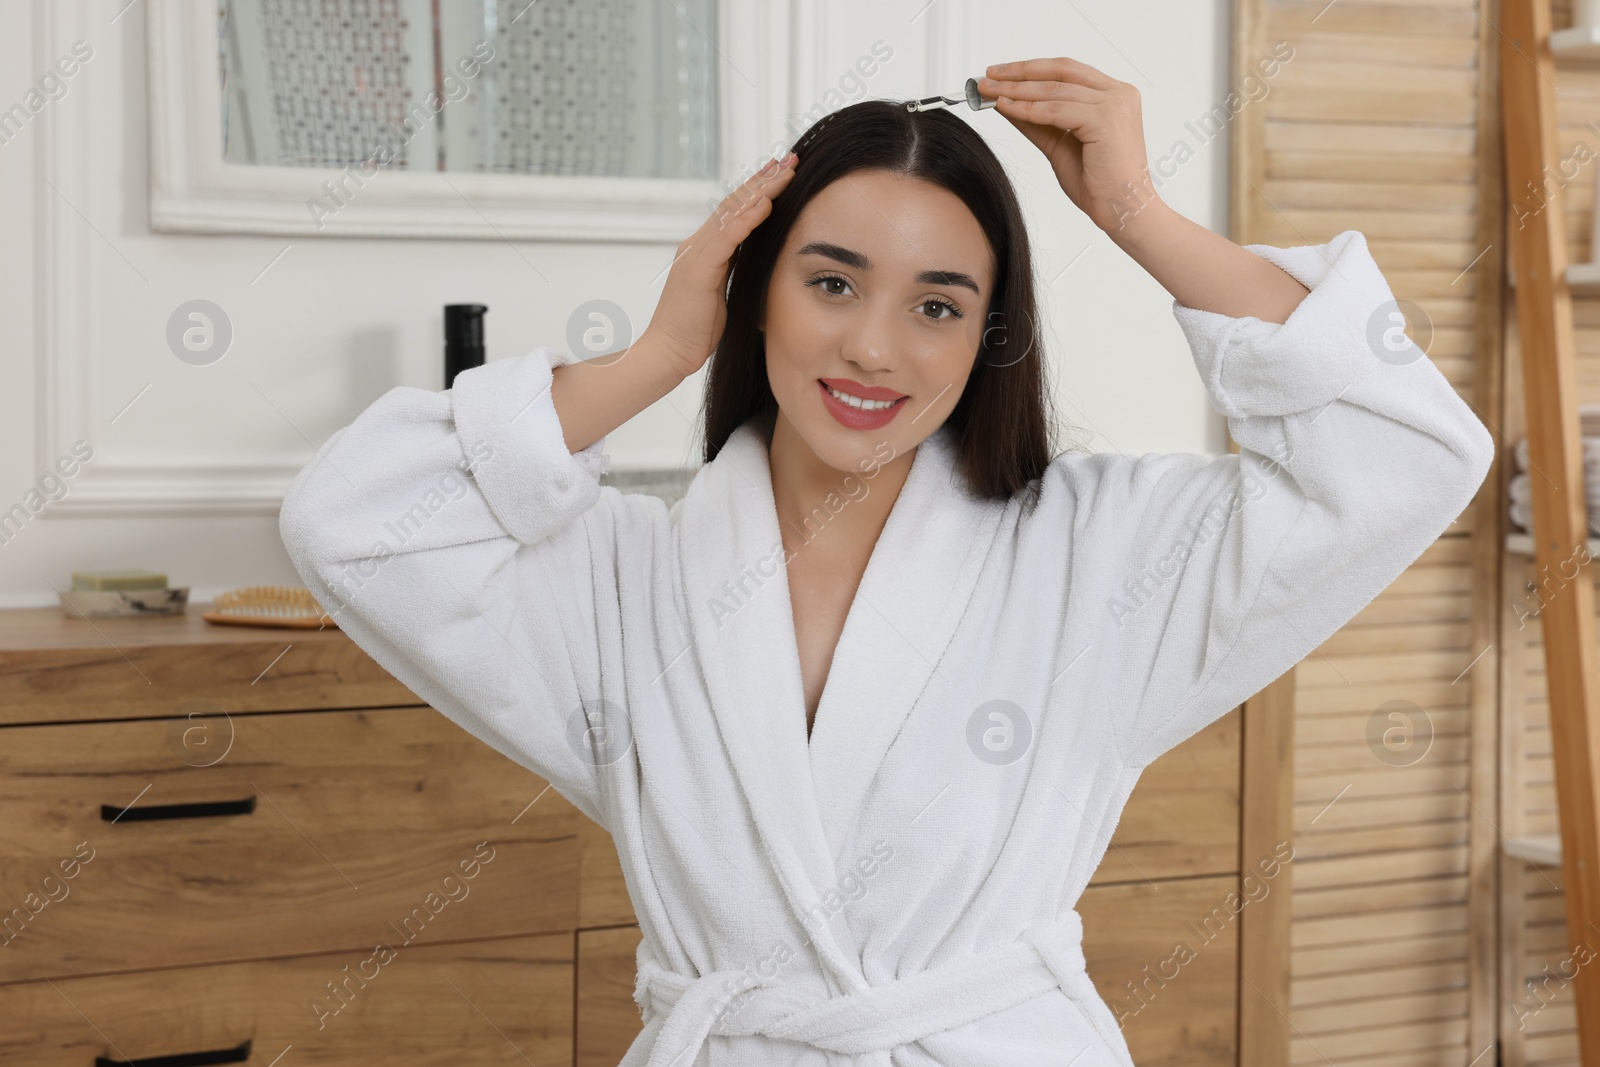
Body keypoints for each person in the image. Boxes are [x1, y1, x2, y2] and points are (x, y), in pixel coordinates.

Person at [279, 56, 1495, 1067]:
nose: (871, 347)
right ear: (754, 292)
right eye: (830, 281)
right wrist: (657, 351)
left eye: (936, 305)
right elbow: (352, 520)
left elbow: (1402, 455)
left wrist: (1138, 215)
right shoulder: (621, 577)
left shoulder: (1098, 556)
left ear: (986, 336)